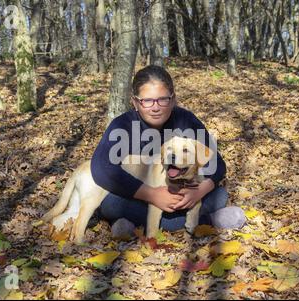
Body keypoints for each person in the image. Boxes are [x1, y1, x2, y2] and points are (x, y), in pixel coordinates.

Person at [91, 65, 244, 236]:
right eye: (147, 101)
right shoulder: (123, 125)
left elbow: (217, 163)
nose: (155, 107)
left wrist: (199, 191)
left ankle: (132, 225)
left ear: (173, 99)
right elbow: (101, 168)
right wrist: (152, 195)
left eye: (162, 99)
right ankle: (207, 221)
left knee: (220, 194)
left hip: (185, 195)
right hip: (141, 199)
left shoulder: (186, 120)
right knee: (111, 205)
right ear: (135, 102)